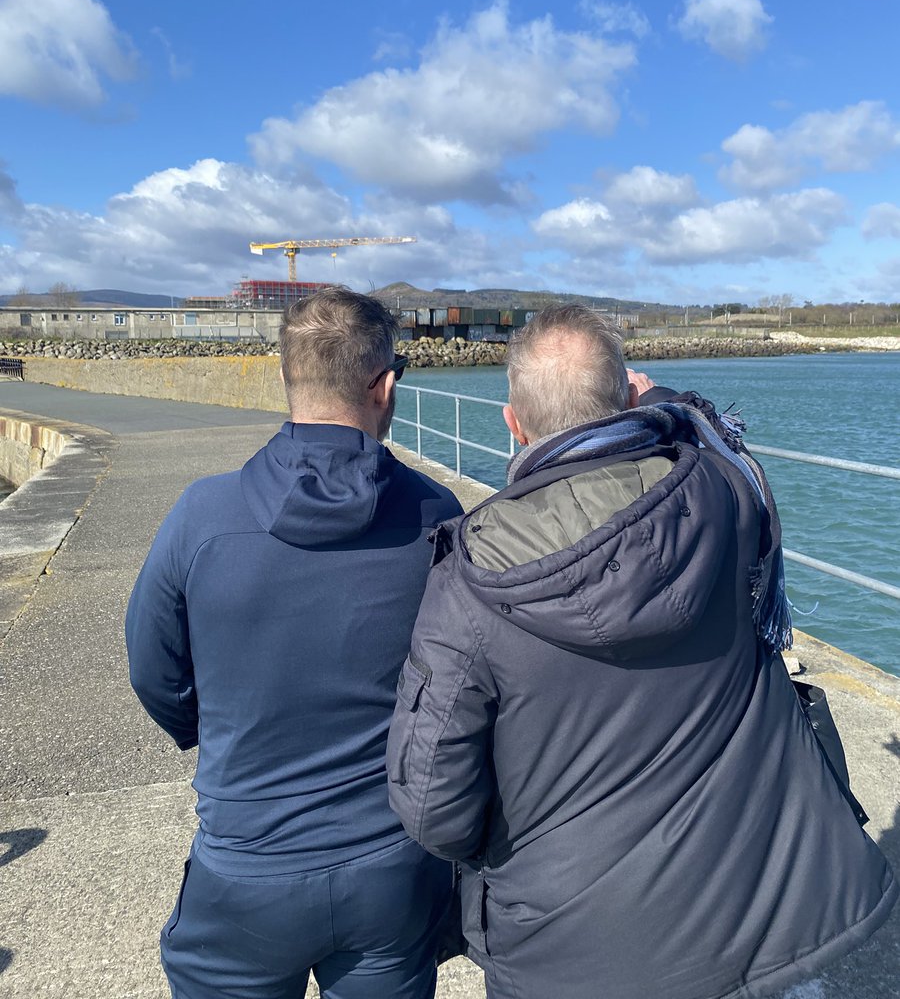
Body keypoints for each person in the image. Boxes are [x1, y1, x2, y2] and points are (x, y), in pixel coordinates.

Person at [387, 303, 897, 999]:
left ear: (512, 422)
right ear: (627, 397)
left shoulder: (469, 581)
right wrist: (653, 399)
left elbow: (431, 808)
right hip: (753, 916)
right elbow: (711, 426)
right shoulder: (718, 496)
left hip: (570, 953)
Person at [126, 287, 462, 999]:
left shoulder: (201, 516)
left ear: (287, 377)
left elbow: (154, 671)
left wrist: (216, 729)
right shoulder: (438, 514)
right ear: (387, 386)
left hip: (245, 868)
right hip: (390, 867)